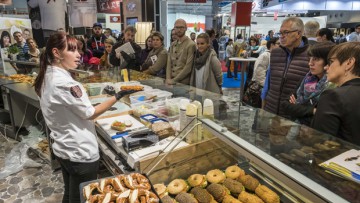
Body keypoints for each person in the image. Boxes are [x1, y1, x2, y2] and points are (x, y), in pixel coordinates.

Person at [33, 32, 138, 202]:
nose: (78, 54)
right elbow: (90, 113)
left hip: (63, 147)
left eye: (79, 50)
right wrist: (118, 95)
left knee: (70, 194)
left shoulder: (46, 75)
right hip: (80, 152)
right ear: (56, 53)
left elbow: (73, 108)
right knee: (81, 198)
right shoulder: (66, 83)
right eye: (72, 50)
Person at [312, 42, 360, 145]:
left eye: (331, 62)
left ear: (349, 63)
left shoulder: (333, 96)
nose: (326, 67)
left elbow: (321, 143)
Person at [261, 17, 310, 117]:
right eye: (280, 33)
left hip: (293, 114)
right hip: (271, 109)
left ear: (299, 33)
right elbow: (268, 83)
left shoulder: (311, 55)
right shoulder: (275, 53)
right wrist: (263, 107)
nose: (281, 36)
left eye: (286, 32)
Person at [281, 42, 336, 126]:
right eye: (310, 58)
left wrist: (298, 106)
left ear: (328, 61)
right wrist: (312, 110)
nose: (310, 63)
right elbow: (285, 105)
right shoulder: (308, 78)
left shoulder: (333, 85)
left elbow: (323, 117)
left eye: (316, 59)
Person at [243, 38, 279, 108]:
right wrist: (268, 88)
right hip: (262, 90)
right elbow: (259, 76)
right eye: (278, 44)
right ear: (272, 45)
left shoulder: (275, 55)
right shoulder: (265, 56)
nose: (280, 46)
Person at [166, 19, 196, 85]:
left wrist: (174, 80)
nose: (179, 30)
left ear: (186, 28)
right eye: (177, 27)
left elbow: (188, 67)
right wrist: (168, 78)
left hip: (183, 82)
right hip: (171, 80)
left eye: (181, 27)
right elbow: (169, 63)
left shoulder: (191, 44)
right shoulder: (173, 44)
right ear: (174, 28)